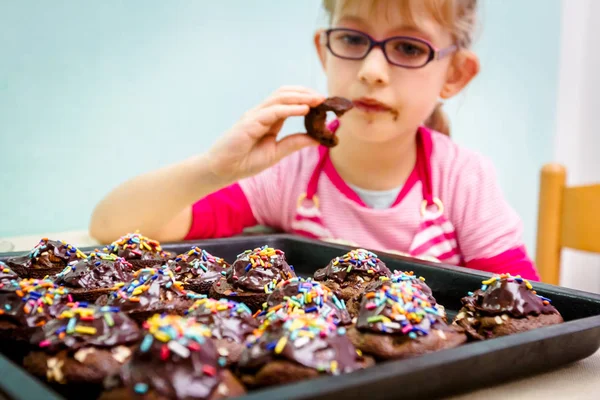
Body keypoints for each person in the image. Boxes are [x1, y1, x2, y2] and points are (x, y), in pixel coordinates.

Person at [90, 0, 540, 280]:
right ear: (324, 50)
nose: (371, 70)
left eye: (407, 48)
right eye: (351, 38)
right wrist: (215, 168)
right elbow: (112, 227)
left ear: (455, 74)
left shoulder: (463, 179)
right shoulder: (289, 173)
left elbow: (529, 307)